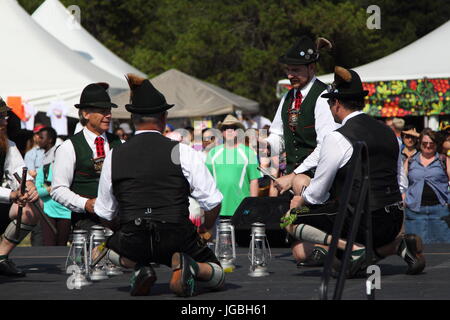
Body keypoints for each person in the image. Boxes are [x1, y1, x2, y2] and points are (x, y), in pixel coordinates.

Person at [281, 67, 425, 277]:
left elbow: (317, 193)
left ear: (337, 104)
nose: (330, 109)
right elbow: (401, 183)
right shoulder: (390, 134)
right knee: (342, 262)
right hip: (393, 219)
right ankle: (396, 246)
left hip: (362, 221)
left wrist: (300, 200)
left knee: (290, 219)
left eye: (330, 103)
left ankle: (354, 249)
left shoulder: (337, 137)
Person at [94, 74, 225, 297]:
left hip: (134, 237)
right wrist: (204, 230)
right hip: (177, 236)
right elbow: (212, 202)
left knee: (101, 250)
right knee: (218, 274)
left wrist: (123, 232)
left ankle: (140, 268)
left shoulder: (114, 155)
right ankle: (191, 267)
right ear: (164, 118)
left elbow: (105, 212)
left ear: (133, 119)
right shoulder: (181, 151)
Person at [51, 83, 121, 231]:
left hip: (120, 219)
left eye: (109, 110)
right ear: (86, 114)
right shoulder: (69, 147)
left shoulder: (120, 143)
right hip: (87, 222)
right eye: (102, 111)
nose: (108, 115)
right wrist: (85, 204)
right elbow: (58, 189)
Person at [0, 98, 40, 277]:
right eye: (0, 117)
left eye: (4, 116)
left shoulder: (8, 145)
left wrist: (27, 187)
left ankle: (1, 257)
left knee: (32, 208)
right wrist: (12, 194)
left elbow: (18, 169)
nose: (4, 121)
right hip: (4, 197)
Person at [205, 115, 262, 218]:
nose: (230, 130)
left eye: (234, 128)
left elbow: (254, 181)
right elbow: (206, 181)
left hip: (242, 209)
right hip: (217, 209)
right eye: (226, 128)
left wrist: (253, 205)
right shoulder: (212, 153)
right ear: (222, 132)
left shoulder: (249, 153)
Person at [404, 128, 450, 243]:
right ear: (420, 144)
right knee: (416, 248)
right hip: (415, 211)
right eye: (425, 143)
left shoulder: (444, 160)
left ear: (436, 144)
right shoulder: (410, 161)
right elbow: (402, 183)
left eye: (431, 143)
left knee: (441, 250)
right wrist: (403, 197)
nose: (428, 146)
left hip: (440, 210)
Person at [35, 127, 71, 246]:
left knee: (62, 246)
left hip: (66, 212)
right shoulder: (44, 169)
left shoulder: (70, 171)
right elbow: (37, 192)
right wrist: (51, 188)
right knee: (49, 245)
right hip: (48, 211)